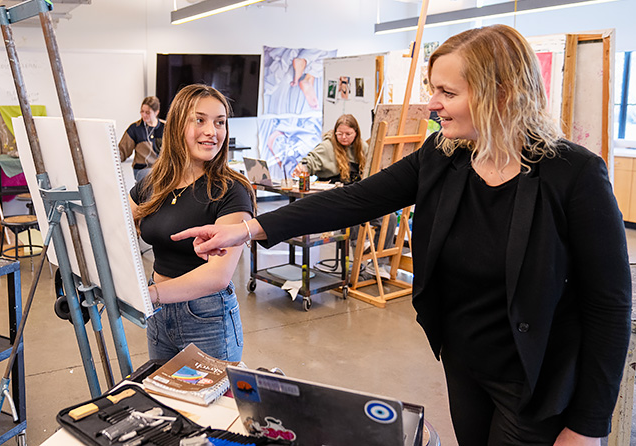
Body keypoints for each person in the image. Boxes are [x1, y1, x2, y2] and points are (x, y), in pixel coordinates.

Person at [173, 25, 631, 445]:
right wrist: (249, 229)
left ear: (501, 93)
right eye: (434, 88)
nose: (432, 104)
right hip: (465, 365)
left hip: (535, 380)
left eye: (447, 92)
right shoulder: (444, 155)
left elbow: (608, 307)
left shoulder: (573, 175)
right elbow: (355, 200)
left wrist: (589, 426)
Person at [129, 84, 254, 362]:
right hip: (159, 314)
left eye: (219, 122)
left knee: (211, 405)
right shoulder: (152, 183)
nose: (212, 131)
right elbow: (115, 229)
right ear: (176, 126)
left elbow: (217, 276)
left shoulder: (231, 190)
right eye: (200, 120)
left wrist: (148, 295)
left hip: (206, 316)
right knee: (165, 402)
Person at [292, 114, 393, 278]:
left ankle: (379, 264)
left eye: (348, 134)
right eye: (340, 134)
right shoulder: (327, 147)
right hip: (336, 199)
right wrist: (302, 167)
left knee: (390, 217)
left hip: (360, 196)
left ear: (356, 133)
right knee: (353, 213)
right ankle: (358, 258)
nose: (343, 138)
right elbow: (309, 161)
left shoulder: (362, 148)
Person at [119, 96, 165, 182]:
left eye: (147, 112)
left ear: (156, 112)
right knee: (152, 177)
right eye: (142, 111)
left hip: (161, 170)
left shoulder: (166, 128)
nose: (144, 115)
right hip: (142, 170)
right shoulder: (135, 129)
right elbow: (122, 151)